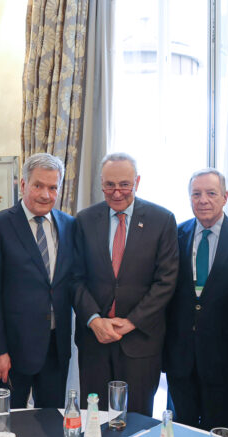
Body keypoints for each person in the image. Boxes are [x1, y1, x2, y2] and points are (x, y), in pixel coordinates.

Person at [74, 152, 178, 416]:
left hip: (140, 342)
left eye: (124, 184)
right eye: (109, 185)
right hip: (95, 341)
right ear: (101, 183)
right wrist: (95, 320)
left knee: (136, 421)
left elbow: (165, 281)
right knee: (93, 420)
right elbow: (74, 278)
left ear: (137, 182)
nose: (116, 192)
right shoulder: (84, 220)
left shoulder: (162, 220)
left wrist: (131, 321)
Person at [0, 153, 75, 408]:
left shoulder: (69, 225)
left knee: (51, 424)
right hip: (11, 351)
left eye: (53, 187)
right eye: (38, 185)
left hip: (55, 348)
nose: (45, 194)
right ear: (23, 185)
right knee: (8, 426)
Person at [163, 169, 228, 431]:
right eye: (196, 194)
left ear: (225, 197)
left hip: (225, 361)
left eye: (211, 193)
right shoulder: (175, 235)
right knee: (182, 433)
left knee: (220, 434)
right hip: (181, 359)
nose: (203, 200)